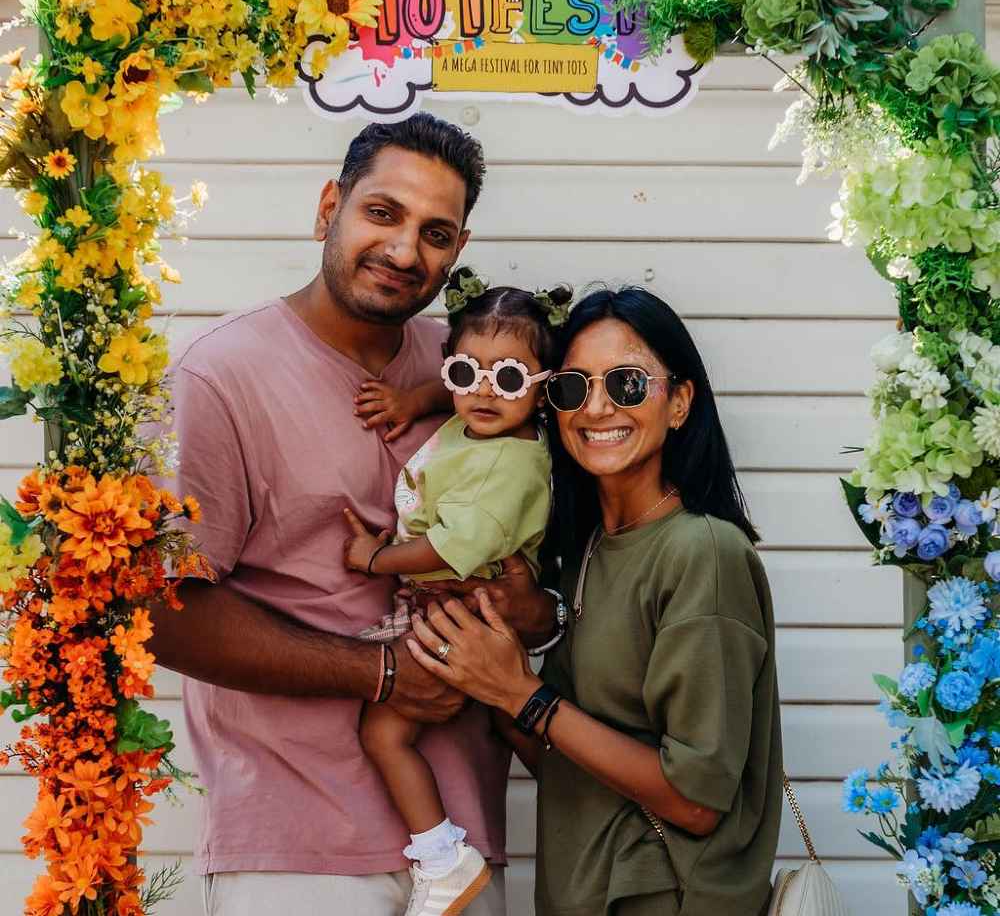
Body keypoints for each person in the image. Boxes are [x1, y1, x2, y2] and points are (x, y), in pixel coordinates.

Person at [147, 114, 558, 916]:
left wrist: (535, 612)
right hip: (296, 849)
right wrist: (383, 672)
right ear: (328, 207)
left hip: (465, 842)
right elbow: (164, 612)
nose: (405, 251)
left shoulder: (472, 366)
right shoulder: (220, 376)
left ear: (459, 248)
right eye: (382, 213)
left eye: (435, 233)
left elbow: (539, 558)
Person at [406, 287, 784, 916]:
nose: (598, 407)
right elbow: (564, 763)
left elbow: (696, 799)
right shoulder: (582, 551)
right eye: (574, 387)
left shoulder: (703, 552)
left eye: (628, 384)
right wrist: (481, 668)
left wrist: (520, 694)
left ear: (679, 402)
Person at [342, 268, 566, 916]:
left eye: (510, 379)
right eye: (468, 373)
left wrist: (376, 559)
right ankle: (578, 788)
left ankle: (443, 858)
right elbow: (459, 391)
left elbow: (446, 549)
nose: (484, 392)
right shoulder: (486, 419)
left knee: (384, 735)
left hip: (460, 613)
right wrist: (411, 402)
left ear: (544, 389)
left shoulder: (511, 466)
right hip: (455, 606)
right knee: (505, 718)